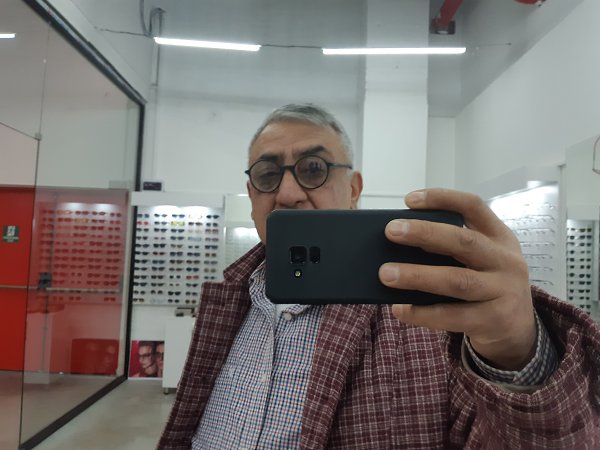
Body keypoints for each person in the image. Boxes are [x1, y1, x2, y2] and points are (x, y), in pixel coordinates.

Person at [157, 104, 600, 449]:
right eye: (268, 175)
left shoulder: (427, 316)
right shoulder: (230, 300)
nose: (288, 193)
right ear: (252, 195)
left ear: (353, 189)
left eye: (313, 169)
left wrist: (516, 354)